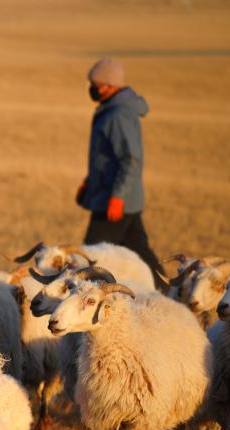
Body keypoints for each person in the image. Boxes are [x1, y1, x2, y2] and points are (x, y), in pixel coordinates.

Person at [76, 58, 165, 285]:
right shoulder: (111, 109)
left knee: (91, 257)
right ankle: (169, 293)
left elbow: (130, 159)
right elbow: (106, 158)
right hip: (113, 196)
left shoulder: (118, 115)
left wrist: (117, 197)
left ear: (109, 85)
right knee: (141, 254)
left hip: (113, 201)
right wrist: (89, 183)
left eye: (95, 85)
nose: (92, 89)